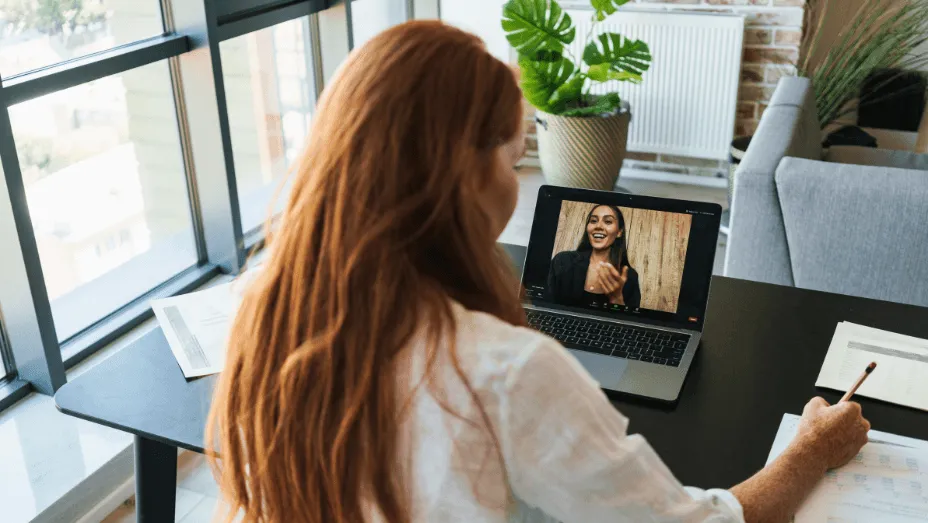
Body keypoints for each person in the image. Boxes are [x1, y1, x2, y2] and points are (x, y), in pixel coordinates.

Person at [206, 20, 871, 523]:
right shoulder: (509, 370)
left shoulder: (268, 309)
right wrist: (810, 449)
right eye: (513, 156)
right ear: (465, 176)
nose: (517, 176)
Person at [547, 204, 642, 309]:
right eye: (593, 221)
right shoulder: (563, 261)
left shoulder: (630, 277)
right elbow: (545, 304)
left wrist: (617, 298)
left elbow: (629, 318)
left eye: (608, 221)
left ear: (619, 232)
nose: (598, 226)